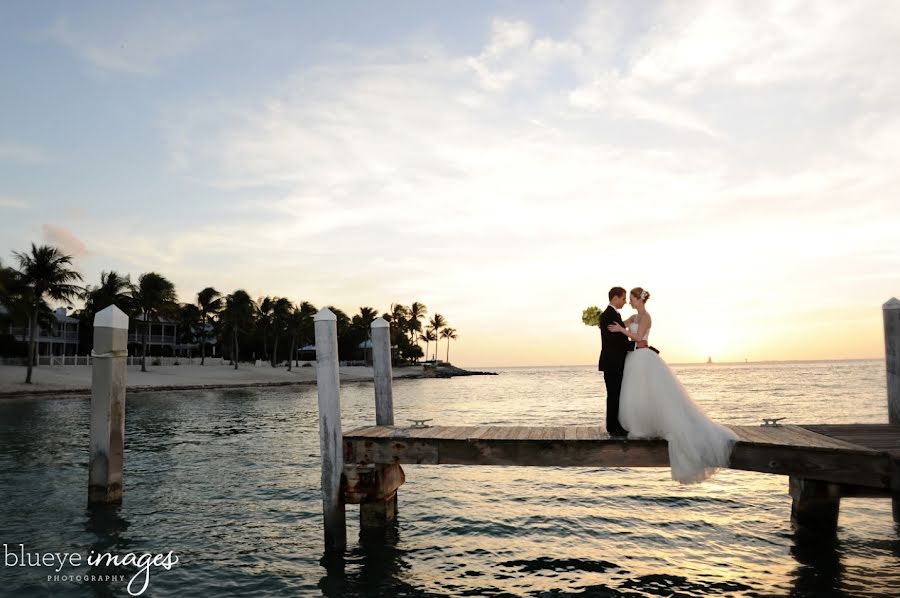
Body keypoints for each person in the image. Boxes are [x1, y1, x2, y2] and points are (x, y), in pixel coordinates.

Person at [607, 287, 738, 484]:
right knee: (637, 394)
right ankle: (640, 424)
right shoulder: (634, 317)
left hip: (644, 358)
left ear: (638, 299)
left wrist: (621, 331)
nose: (629, 302)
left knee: (652, 392)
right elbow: (616, 324)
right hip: (634, 359)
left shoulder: (646, 318)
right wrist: (604, 323)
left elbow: (639, 338)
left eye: (631, 299)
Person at [597, 287, 644, 437]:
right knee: (613, 394)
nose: (625, 302)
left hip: (615, 361)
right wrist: (636, 345)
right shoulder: (608, 315)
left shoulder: (613, 315)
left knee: (616, 394)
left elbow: (618, 336)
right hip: (612, 362)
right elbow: (615, 341)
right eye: (623, 298)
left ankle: (614, 425)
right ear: (615, 298)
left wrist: (626, 324)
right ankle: (613, 427)